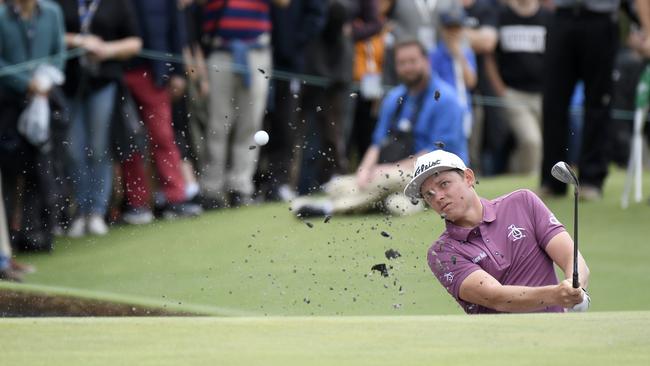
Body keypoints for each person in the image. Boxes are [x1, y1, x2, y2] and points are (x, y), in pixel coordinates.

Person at [291, 39, 467, 218]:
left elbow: (437, 152)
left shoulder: (446, 99)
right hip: (395, 172)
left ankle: (328, 209)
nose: (408, 68)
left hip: (436, 172)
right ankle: (396, 199)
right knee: (342, 187)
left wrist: (390, 169)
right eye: (402, 63)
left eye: (413, 61)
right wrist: (365, 171)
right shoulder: (394, 97)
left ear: (426, 61)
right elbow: (377, 143)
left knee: (386, 180)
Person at [403, 148, 591, 314]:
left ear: (468, 178)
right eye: (429, 194)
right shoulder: (442, 252)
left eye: (444, 184)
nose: (439, 197)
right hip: (498, 345)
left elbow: (571, 257)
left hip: (558, 332)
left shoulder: (523, 202)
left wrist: (575, 287)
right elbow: (495, 297)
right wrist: (557, 295)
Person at [55, 0, 142, 236]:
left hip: (104, 82)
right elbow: (52, 36)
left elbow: (135, 42)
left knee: (99, 147)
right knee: (73, 150)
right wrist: (79, 41)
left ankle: (96, 211)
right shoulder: (60, 4)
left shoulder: (117, 4)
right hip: (68, 84)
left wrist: (107, 50)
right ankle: (80, 211)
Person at [199, 0, 289, 207]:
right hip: (220, 50)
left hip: (256, 51)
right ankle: (211, 188)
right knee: (217, 123)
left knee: (250, 123)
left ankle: (240, 186)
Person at [119, 0, 203, 223]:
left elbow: (177, 30)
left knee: (163, 136)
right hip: (119, 73)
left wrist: (177, 72)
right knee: (129, 139)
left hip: (154, 74)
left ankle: (174, 197)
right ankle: (137, 203)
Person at [540, 0, 619, 201]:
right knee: (553, 102)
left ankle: (592, 180)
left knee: (598, 103)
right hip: (562, 16)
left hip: (600, 19)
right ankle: (553, 180)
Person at [483, 0, 550, 175]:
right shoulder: (501, 15)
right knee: (531, 140)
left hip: (544, 93)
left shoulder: (548, 16)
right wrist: (500, 89)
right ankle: (527, 183)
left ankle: (532, 181)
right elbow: (489, 57)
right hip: (513, 93)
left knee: (545, 144)